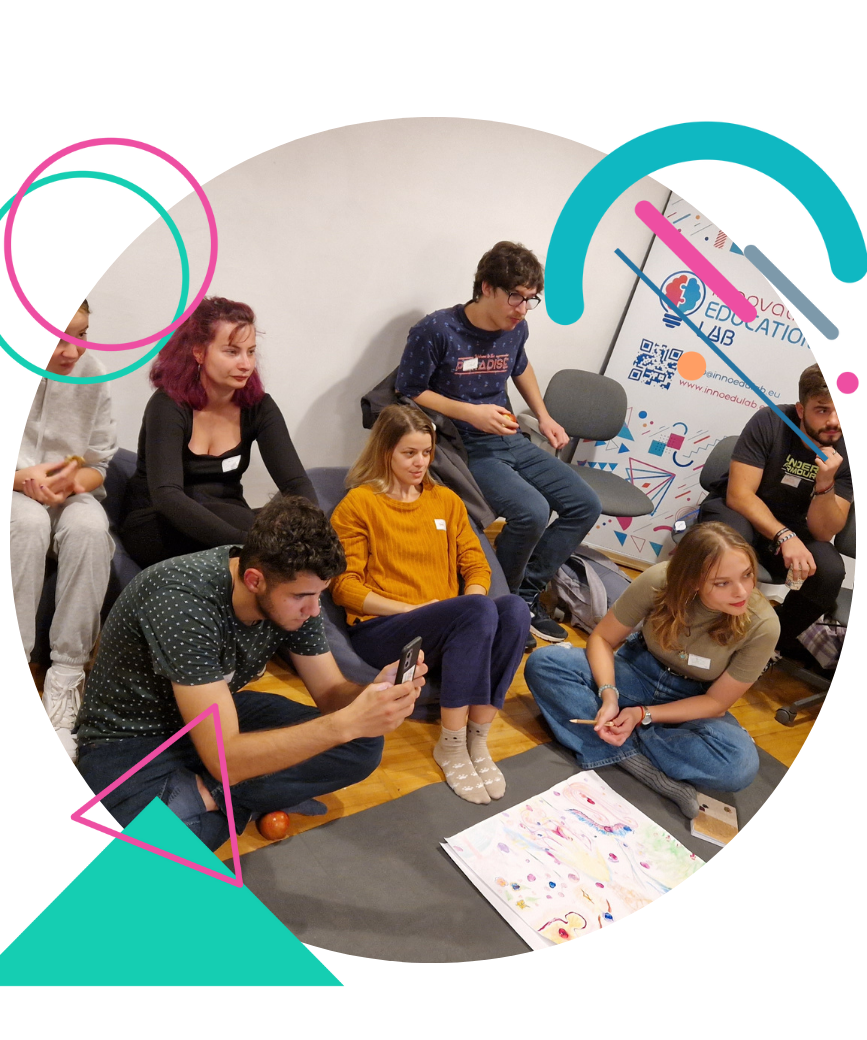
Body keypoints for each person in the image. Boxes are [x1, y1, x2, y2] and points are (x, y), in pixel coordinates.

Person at [76, 495, 425, 850]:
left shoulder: (293, 591)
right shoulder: (182, 600)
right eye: (302, 597)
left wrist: (373, 692)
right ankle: (244, 798)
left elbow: (331, 693)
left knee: (363, 742)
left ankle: (206, 797)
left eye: (319, 594)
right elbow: (225, 760)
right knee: (150, 856)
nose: (313, 609)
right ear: (254, 580)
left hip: (212, 715)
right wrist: (342, 724)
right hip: (130, 739)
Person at [395, 241, 602, 647]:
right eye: (515, 297)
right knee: (532, 512)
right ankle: (499, 604)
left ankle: (524, 596)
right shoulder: (436, 330)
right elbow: (409, 389)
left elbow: (519, 366)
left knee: (585, 504)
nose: (523, 309)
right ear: (486, 287)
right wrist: (470, 413)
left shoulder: (516, 328)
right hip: (462, 443)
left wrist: (544, 415)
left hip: (508, 435)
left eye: (531, 299)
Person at [330, 405, 531, 804]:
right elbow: (344, 588)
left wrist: (476, 602)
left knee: (514, 609)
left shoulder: (446, 501)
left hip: (444, 626)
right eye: (409, 453)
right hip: (383, 628)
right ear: (385, 451)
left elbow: (476, 563)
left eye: (426, 452)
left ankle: (477, 740)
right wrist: (409, 611)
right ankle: (451, 746)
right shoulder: (359, 504)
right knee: (477, 610)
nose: (420, 462)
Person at [525, 522, 775, 819]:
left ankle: (613, 739)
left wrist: (641, 714)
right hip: (636, 670)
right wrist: (609, 695)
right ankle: (642, 765)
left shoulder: (763, 624)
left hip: (692, 699)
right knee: (545, 663)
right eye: (723, 583)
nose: (742, 591)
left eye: (747, 575)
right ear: (693, 580)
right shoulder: (660, 580)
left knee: (739, 766)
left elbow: (716, 703)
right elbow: (602, 639)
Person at [121, 296, 317, 568]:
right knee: (260, 535)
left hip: (231, 519)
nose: (246, 364)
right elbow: (168, 496)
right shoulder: (168, 405)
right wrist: (248, 544)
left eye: (250, 352)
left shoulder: (259, 407)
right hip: (159, 522)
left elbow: (296, 484)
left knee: (284, 526)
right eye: (232, 352)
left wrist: (312, 533)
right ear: (199, 352)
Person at [12, 300, 118, 760]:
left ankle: (67, 677)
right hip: (16, 493)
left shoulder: (94, 375)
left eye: (82, 334)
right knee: (28, 521)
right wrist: (22, 479)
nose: (73, 351)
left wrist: (74, 482)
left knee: (91, 528)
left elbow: (99, 464)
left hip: (65, 494)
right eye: (58, 337)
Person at [699, 363, 852, 657]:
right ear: (801, 410)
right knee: (728, 546)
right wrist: (784, 535)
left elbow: (823, 531)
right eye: (822, 410)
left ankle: (766, 647)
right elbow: (739, 495)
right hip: (739, 512)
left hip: (796, 524)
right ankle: (698, 626)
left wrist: (825, 483)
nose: (833, 422)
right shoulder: (771, 421)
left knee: (830, 571)